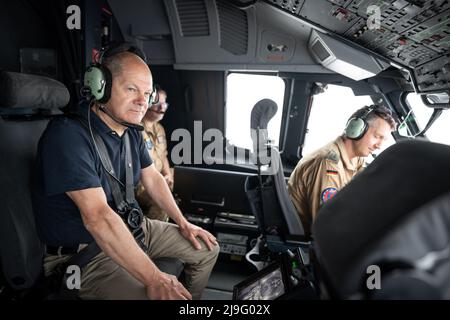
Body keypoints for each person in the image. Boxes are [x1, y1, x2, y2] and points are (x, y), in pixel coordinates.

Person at [32, 45, 219, 300]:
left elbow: (151, 176)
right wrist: (156, 278)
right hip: (85, 253)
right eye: (131, 89)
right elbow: (98, 217)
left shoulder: (130, 130)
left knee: (207, 248)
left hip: (131, 227)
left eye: (147, 93)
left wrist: (183, 223)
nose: (143, 102)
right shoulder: (68, 136)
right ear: (101, 87)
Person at [287, 105, 397, 237]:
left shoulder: (356, 159)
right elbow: (327, 225)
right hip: (313, 247)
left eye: (383, 140)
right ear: (356, 129)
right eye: (377, 136)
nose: (379, 145)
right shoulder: (328, 164)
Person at [135, 87, 173, 222]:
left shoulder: (160, 128)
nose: (161, 107)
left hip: (160, 178)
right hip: (142, 184)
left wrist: (167, 174)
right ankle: (153, 237)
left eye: (164, 104)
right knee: (163, 203)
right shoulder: (136, 128)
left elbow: (163, 156)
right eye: (157, 103)